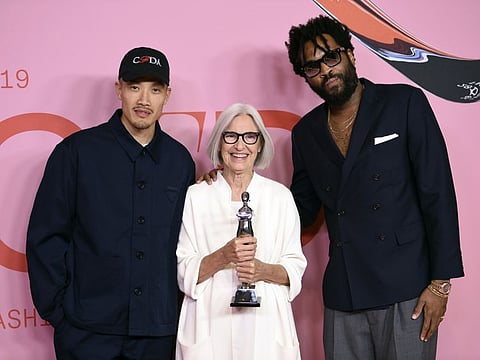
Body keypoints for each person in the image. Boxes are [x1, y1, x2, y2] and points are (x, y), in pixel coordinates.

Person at [284, 15, 464, 359]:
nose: (325, 71)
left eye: (331, 57)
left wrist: (441, 284)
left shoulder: (405, 104)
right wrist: (236, 186)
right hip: (344, 293)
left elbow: (437, 193)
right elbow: (301, 210)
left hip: (408, 289)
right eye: (312, 67)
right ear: (306, 77)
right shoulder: (305, 133)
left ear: (350, 53)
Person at [26, 47, 195, 359]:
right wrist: (61, 316)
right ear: (119, 89)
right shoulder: (76, 153)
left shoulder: (180, 161)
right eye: (135, 87)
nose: (144, 100)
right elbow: (46, 237)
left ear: (167, 95)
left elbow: (189, 242)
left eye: (155, 90)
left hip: (157, 335)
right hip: (87, 333)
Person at [176, 103, 307, 360]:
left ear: (259, 145)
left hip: (267, 328)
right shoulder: (196, 195)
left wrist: (262, 270)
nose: (240, 145)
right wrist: (224, 256)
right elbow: (184, 271)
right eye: (231, 136)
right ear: (219, 142)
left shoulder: (280, 197)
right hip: (209, 324)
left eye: (249, 137)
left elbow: (294, 268)